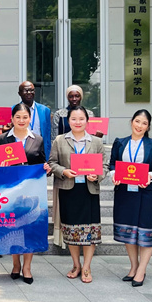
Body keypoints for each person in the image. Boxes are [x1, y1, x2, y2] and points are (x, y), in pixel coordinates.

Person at [47, 105, 108, 284]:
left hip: (89, 191)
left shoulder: (96, 142)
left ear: (87, 121)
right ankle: (76, 264)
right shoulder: (60, 140)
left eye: (81, 119)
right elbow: (52, 162)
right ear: (68, 121)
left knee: (90, 232)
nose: (78, 122)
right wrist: (63, 171)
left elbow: (104, 166)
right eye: (74, 119)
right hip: (68, 190)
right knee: (71, 230)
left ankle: (87, 267)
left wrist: (97, 175)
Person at [110, 109, 152, 287]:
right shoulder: (120, 142)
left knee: (145, 231)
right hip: (124, 192)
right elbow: (113, 164)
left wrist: (151, 175)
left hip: (145, 192)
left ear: (148, 126)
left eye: (144, 123)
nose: (140, 126)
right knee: (128, 231)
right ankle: (133, 266)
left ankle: (141, 270)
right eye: (137, 121)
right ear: (131, 122)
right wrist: (113, 174)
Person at [0, 103, 47, 284]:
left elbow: (42, 163)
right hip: (11, 192)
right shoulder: (3, 139)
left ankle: (27, 267)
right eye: (18, 117)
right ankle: (16, 264)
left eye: (25, 117)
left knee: (30, 228)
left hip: (31, 191)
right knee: (13, 226)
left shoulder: (37, 139)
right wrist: (1, 167)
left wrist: (46, 168)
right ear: (12, 119)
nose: (21, 120)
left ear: (30, 119)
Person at [16, 81, 52, 160]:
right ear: (19, 93)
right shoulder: (13, 110)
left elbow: (48, 135)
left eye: (31, 90)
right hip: (20, 150)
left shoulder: (45, 110)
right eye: (26, 90)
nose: (29, 93)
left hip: (39, 152)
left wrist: (48, 157)